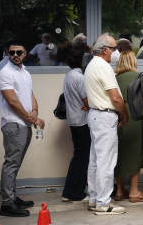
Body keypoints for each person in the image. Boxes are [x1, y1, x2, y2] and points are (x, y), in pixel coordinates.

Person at [0, 39, 45, 217]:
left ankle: (12, 197)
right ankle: (7, 204)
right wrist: (31, 118)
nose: (15, 55)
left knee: (15, 164)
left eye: (19, 52)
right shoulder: (5, 73)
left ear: (25, 54)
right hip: (13, 124)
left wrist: (34, 113)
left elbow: (31, 96)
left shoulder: (25, 72)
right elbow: (12, 101)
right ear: (6, 53)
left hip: (24, 123)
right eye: (12, 52)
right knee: (11, 164)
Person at [84, 34, 129, 215]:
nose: (116, 52)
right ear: (104, 50)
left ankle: (94, 199)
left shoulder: (91, 65)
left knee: (96, 160)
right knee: (106, 162)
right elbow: (115, 97)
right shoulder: (103, 66)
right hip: (105, 116)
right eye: (113, 48)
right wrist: (124, 114)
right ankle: (104, 203)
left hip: (96, 115)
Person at [114, 51, 143, 203]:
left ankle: (120, 190)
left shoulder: (113, 78)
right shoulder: (139, 77)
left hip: (117, 116)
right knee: (136, 152)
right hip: (136, 116)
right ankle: (134, 191)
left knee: (119, 152)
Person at [61, 44, 91, 203]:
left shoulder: (69, 74)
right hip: (82, 121)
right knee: (83, 157)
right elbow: (88, 101)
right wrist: (90, 104)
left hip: (73, 120)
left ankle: (68, 192)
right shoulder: (80, 77)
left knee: (77, 156)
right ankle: (78, 193)